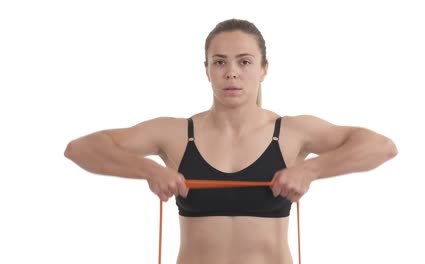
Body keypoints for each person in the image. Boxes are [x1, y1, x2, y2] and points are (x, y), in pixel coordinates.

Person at [64, 18, 398, 264]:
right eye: (219, 62)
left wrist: (311, 170)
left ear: (264, 69)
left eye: (244, 61)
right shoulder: (176, 134)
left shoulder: (293, 131)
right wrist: (147, 169)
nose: (231, 72)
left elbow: (381, 146)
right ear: (207, 70)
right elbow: (80, 149)